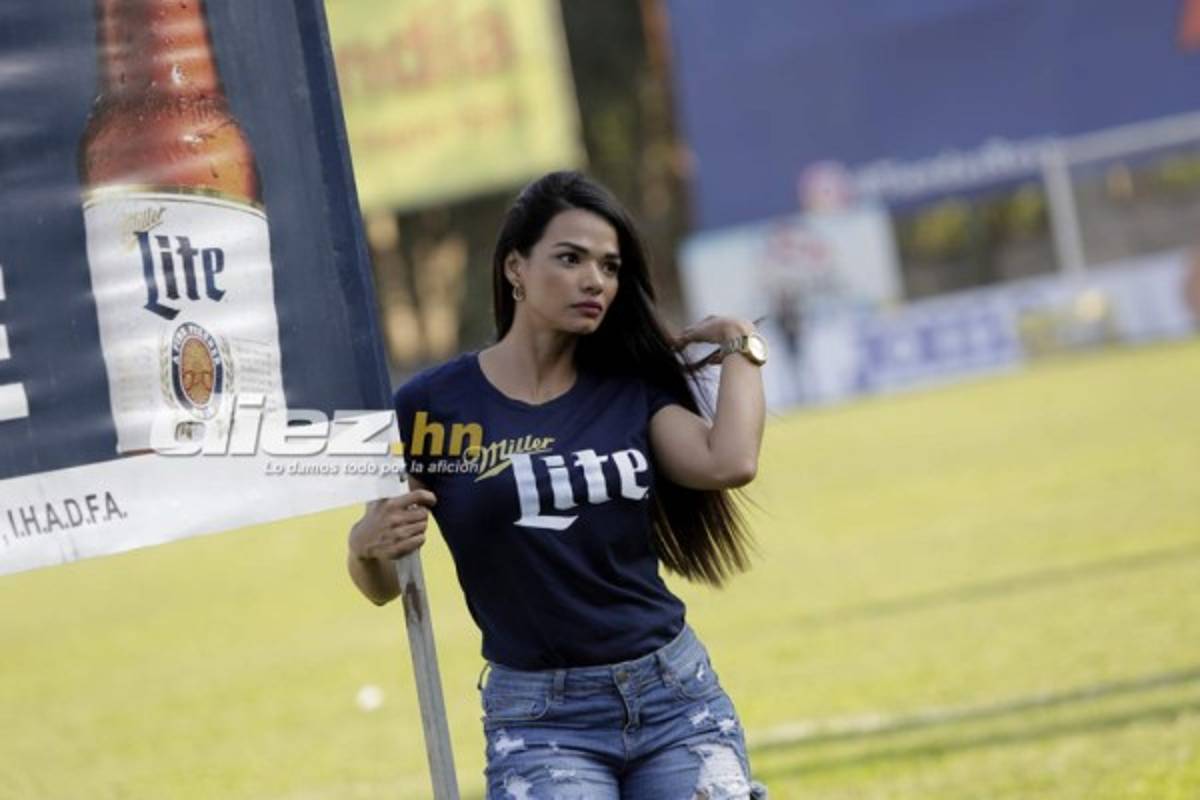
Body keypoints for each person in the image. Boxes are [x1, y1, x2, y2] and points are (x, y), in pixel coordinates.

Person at [347, 171, 768, 799]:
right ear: (515, 267)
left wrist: (740, 343)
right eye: (570, 258)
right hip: (543, 721)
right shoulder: (432, 405)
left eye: (609, 266)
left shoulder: (628, 388)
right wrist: (364, 546)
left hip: (675, 698)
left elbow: (728, 461)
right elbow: (382, 585)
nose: (594, 279)